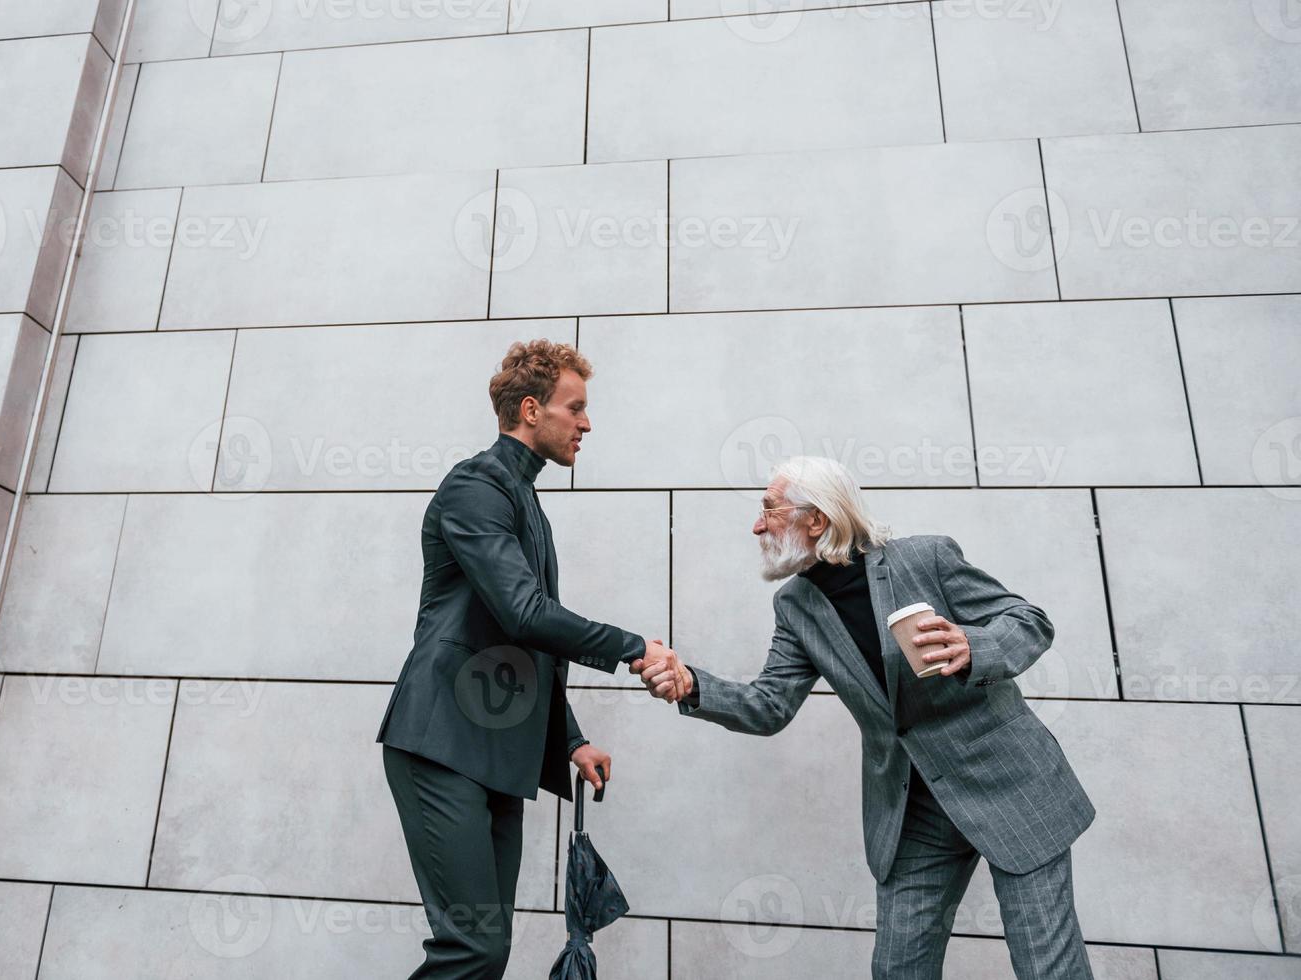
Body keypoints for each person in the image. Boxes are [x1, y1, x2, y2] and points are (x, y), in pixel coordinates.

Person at [634, 455, 1096, 980]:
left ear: (817, 520)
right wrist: (692, 685)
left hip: (1011, 788)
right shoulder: (796, 606)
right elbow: (769, 705)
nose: (757, 525)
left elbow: (1028, 620)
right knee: (899, 970)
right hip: (913, 814)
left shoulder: (926, 558)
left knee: (1047, 968)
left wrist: (974, 644)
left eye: (770, 509)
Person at [377, 339, 683, 979]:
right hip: (439, 745)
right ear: (529, 409)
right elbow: (524, 613)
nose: (587, 423)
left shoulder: (525, 501)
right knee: (472, 949)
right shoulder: (475, 487)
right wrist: (634, 649)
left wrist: (569, 741)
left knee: (488, 953)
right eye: (575, 408)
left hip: (494, 753)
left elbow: (523, 646)